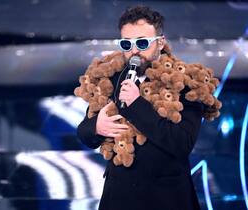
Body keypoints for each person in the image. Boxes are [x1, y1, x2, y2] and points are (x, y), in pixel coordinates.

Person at [77, 5, 204, 210]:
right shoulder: (110, 78)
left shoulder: (185, 83)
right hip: (118, 197)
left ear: (160, 43)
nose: (134, 51)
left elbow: (182, 143)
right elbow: (84, 132)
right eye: (127, 44)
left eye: (142, 43)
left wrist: (136, 104)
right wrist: (96, 128)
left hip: (166, 198)